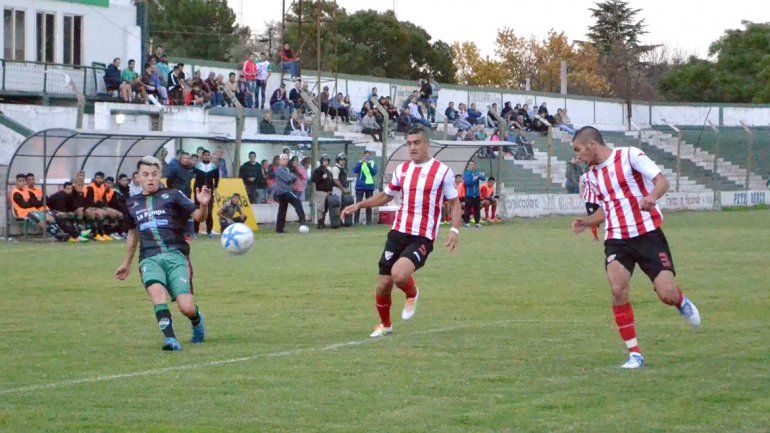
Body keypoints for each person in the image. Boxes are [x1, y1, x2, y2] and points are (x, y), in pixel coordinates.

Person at [570, 126, 701, 370]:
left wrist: (651, 197)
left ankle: (680, 301)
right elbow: (600, 212)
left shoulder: (630, 155)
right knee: (618, 288)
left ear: (592, 145)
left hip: (648, 234)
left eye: (578, 150)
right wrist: (586, 223)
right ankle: (634, 353)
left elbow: (662, 181)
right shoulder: (589, 177)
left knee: (666, 294)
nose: (578, 156)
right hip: (618, 238)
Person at [340, 127, 462, 338]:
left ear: (426, 145)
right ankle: (385, 325)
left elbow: (454, 202)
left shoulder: (442, 171)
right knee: (383, 286)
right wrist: (360, 205)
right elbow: (386, 196)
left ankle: (412, 294)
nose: (412, 147)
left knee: (399, 275)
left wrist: (454, 229)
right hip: (398, 232)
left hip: (422, 236)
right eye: (409, 143)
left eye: (416, 143)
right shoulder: (402, 170)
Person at [114, 156, 209, 351]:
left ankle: (197, 320)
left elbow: (199, 217)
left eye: (154, 175)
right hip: (149, 258)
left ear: (160, 176)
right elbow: (133, 234)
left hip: (176, 256)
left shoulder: (174, 195)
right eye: (145, 175)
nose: (150, 179)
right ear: (138, 178)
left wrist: (203, 204)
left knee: (186, 307)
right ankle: (171, 339)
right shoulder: (131, 203)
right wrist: (126, 263)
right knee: (158, 296)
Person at [273, 154, 307, 233]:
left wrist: (292, 177)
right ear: (280, 160)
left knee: (282, 210)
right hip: (283, 192)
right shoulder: (280, 169)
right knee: (297, 201)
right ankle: (302, 220)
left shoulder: (286, 169)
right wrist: (292, 177)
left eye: (287, 159)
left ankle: (279, 229)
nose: (285, 161)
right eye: (283, 159)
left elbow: (292, 178)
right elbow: (289, 179)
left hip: (283, 192)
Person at [193, 150, 219, 237]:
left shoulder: (213, 167)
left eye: (208, 155)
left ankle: (209, 232)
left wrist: (215, 187)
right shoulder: (197, 166)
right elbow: (192, 176)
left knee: (209, 212)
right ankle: (195, 232)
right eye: (205, 155)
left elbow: (217, 178)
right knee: (197, 211)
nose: (207, 156)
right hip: (198, 191)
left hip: (209, 192)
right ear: (202, 156)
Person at [352, 151, 378, 225]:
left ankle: (368, 221)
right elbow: (355, 170)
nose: (367, 157)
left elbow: (374, 173)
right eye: (366, 156)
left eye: (368, 156)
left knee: (369, 204)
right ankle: (356, 221)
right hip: (360, 186)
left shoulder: (372, 163)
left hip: (369, 186)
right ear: (363, 156)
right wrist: (361, 163)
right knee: (358, 203)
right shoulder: (360, 162)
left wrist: (368, 164)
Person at [311, 154, 334, 229]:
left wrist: (330, 190)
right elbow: (314, 179)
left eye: (327, 161)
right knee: (320, 208)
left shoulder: (327, 170)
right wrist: (321, 177)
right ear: (321, 161)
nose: (326, 162)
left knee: (325, 207)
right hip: (320, 191)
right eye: (324, 161)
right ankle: (320, 224)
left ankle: (323, 223)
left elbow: (330, 181)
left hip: (327, 191)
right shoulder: (318, 170)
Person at [579, 170, 600, 241]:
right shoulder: (585, 176)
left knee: (598, 218)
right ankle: (595, 237)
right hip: (589, 201)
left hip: (599, 200)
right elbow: (582, 184)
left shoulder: (601, 173)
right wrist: (581, 192)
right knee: (591, 218)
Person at [463, 161, 486, 228]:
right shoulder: (466, 173)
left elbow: (483, 178)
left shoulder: (476, 172)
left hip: (477, 194)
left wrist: (480, 175)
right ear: (468, 166)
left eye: (473, 164)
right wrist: (475, 178)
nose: (472, 166)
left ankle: (477, 222)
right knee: (467, 209)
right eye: (470, 165)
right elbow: (467, 183)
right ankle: (466, 222)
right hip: (469, 194)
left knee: (477, 209)